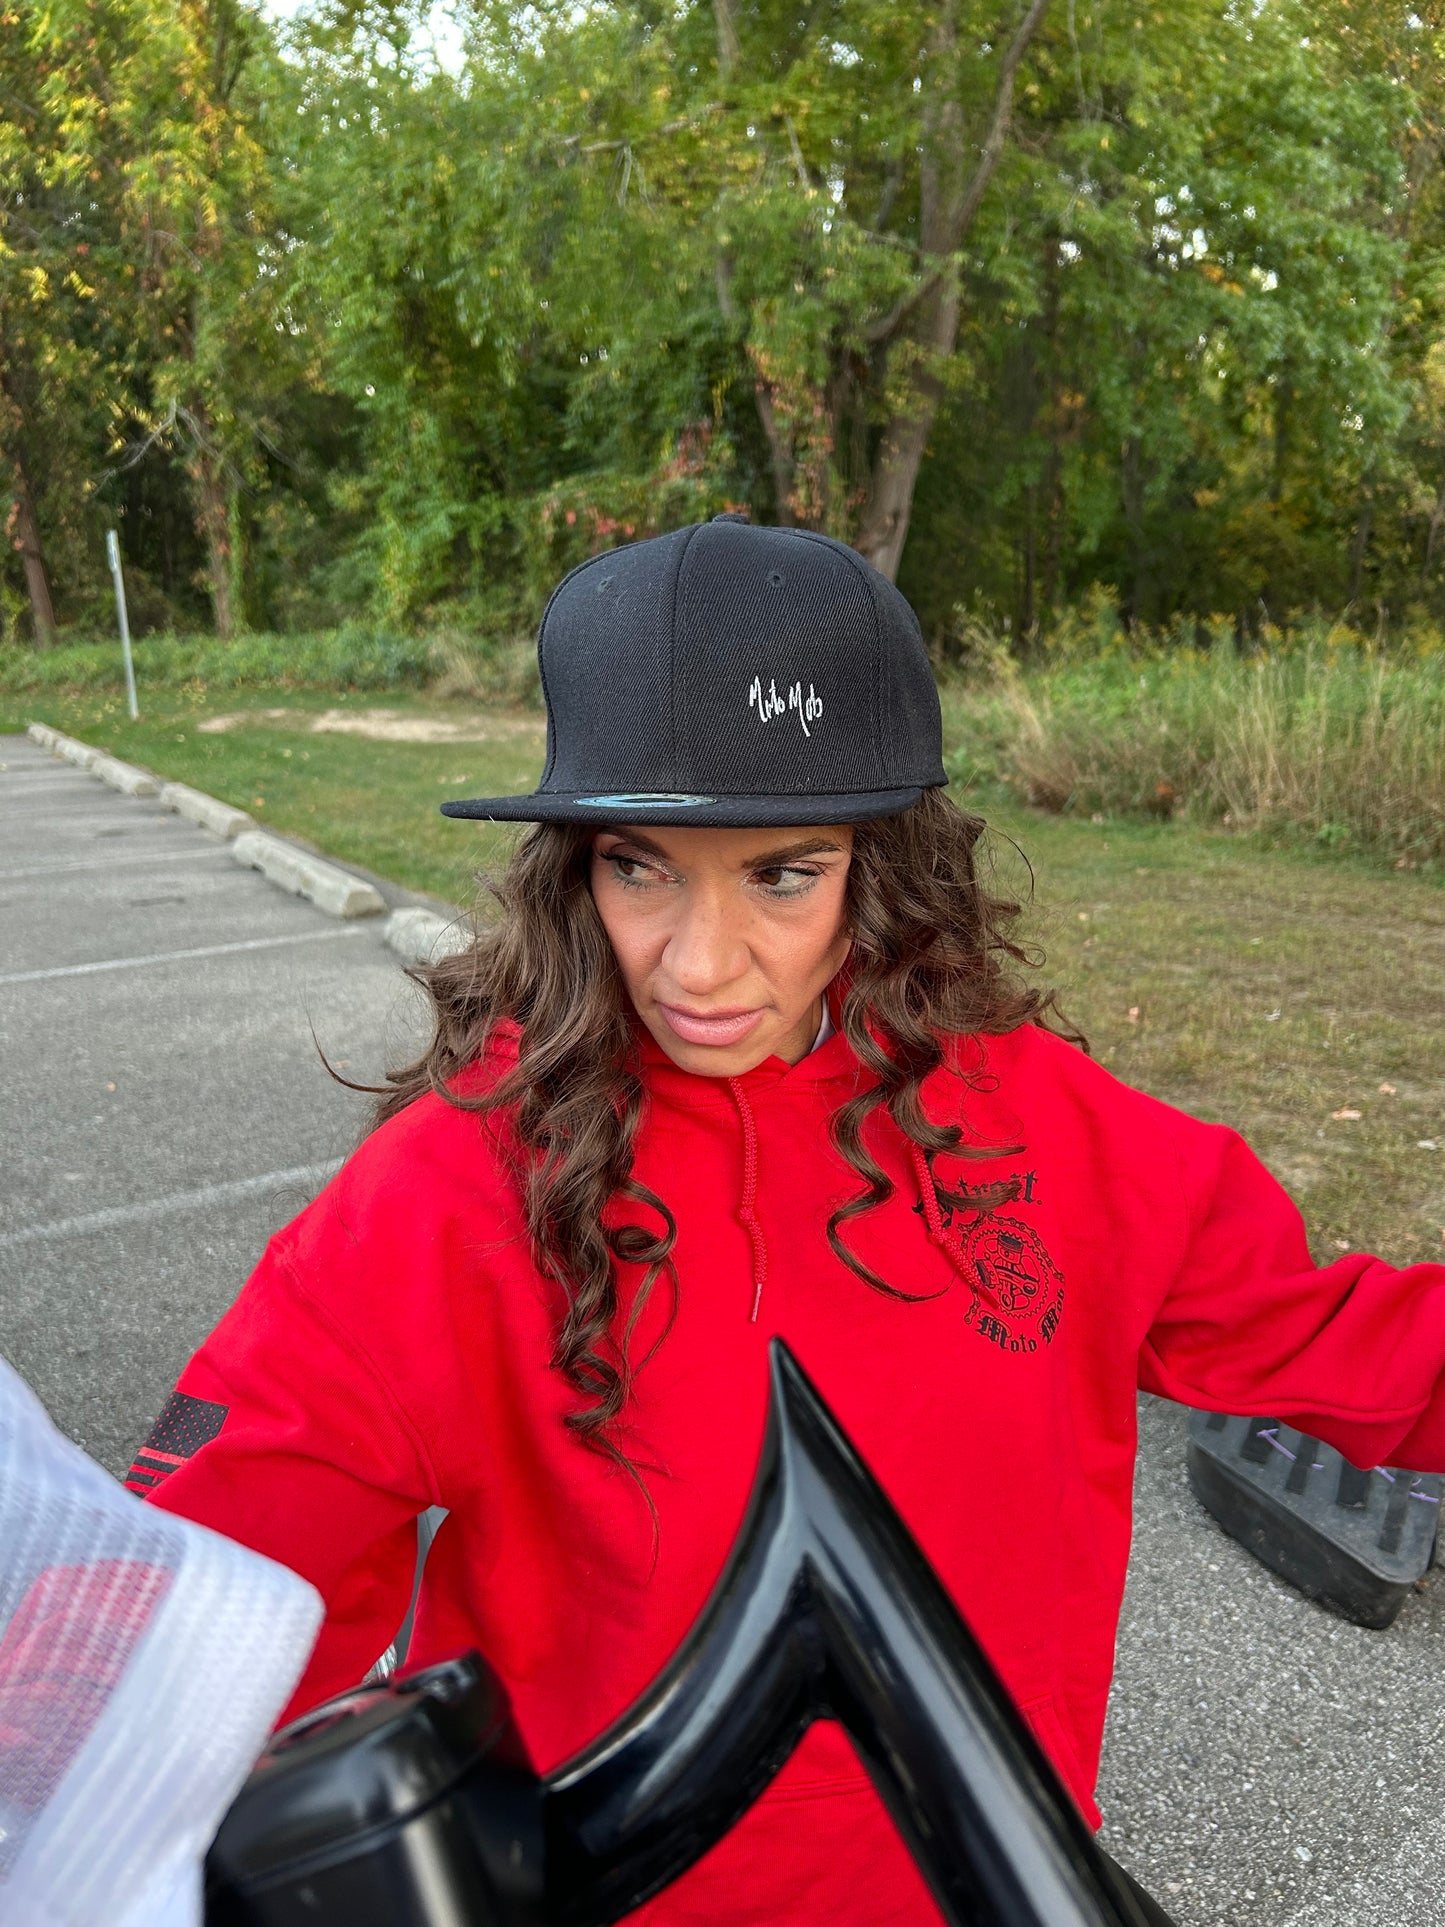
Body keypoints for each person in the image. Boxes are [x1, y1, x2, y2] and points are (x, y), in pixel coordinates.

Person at [132, 517, 1445, 1926]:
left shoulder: (1049, 1134)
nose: (696, 965)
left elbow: (1352, 1348)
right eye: (638, 866)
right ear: (570, 867)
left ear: (879, 867)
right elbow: (194, 1619)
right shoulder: (454, 1193)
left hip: (992, 1877)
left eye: (780, 874)